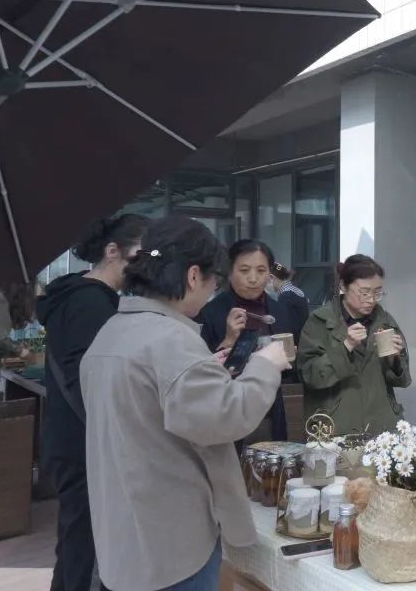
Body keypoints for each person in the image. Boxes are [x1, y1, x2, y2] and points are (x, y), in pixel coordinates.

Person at [81, 216, 289, 591]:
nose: (211, 291)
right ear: (193, 276)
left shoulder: (111, 332)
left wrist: (203, 371)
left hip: (123, 534)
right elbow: (228, 416)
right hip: (172, 543)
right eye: (213, 281)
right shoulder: (170, 338)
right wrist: (265, 365)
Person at [36, 214, 148, 591]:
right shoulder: (90, 303)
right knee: (85, 547)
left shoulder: (81, 296)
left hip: (72, 439)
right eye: (139, 257)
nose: (145, 267)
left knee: (76, 543)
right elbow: (90, 383)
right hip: (84, 444)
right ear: (112, 251)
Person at [196, 239, 298, 442]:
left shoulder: (278, 310)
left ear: (269, 274)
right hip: (227, 412)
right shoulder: (209, 313)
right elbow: (199, 373)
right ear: (229, 272)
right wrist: (228, 340)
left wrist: (289, 357)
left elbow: (288, 371)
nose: (253, 279)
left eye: (261, 271)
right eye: (244, 270)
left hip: (270, 410)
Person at [297, 254, 411, 432]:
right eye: (364, 293)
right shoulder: (319, 321)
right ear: (343, 286)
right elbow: (310, 376)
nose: (371, 300)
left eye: (377, 292)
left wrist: (394, 360)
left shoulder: (385, 320)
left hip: (381, 426)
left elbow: (403, 380)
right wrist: (345, 347)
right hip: (336, 425)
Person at [270, 261, 310, 338]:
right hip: (303, 339)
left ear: (272, 278)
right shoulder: (296, 291)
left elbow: (285, 328)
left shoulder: (285, 297)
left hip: (292, 342)